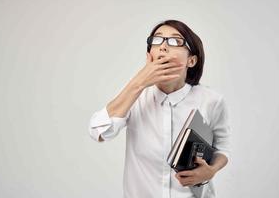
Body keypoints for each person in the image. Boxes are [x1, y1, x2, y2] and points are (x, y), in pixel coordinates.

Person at [89, 19, 230, 198]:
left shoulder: (212, 101)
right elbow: (99, 132)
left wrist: (211, 171)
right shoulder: (135, 96)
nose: (163, 46)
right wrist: (139, 82)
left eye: (175, 41)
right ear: (150, 56)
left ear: (191, 60)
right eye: (157, 40)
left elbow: (222, 149)